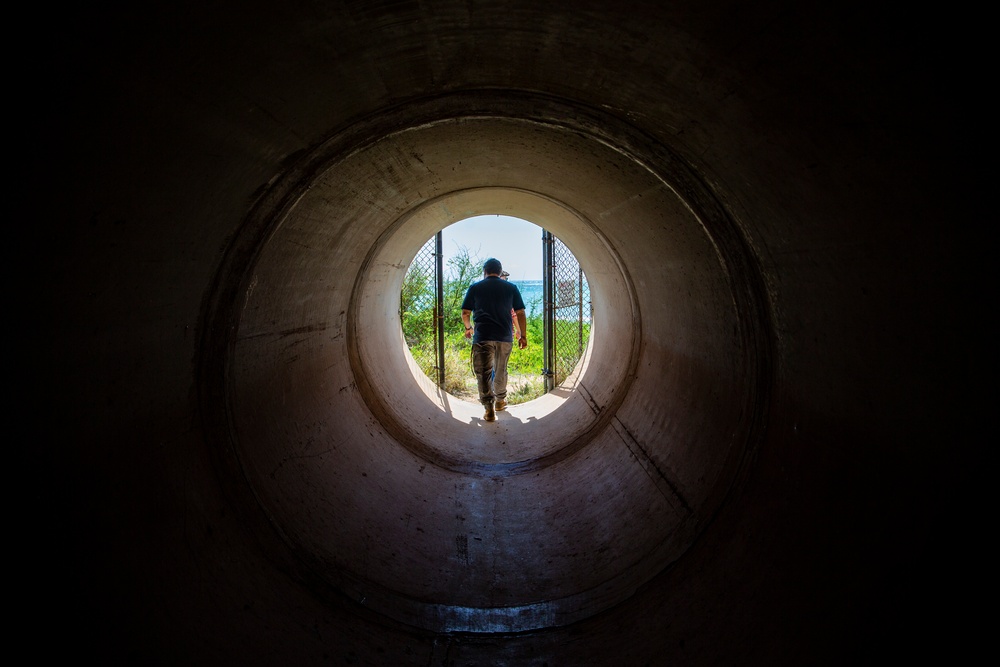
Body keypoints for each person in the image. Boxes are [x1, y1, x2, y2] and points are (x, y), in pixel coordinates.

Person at [461, 258, 528, 422]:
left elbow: (465, 313)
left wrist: (468, 328)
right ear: (499, 271)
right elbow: (520, 313)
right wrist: (523, 336)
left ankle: (488, 408)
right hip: (504, 336)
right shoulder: (511, 287)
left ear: (485, 271)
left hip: (483, 336)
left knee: (483, 372)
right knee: (500, 369)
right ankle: (500, 401)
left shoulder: (475, 287)